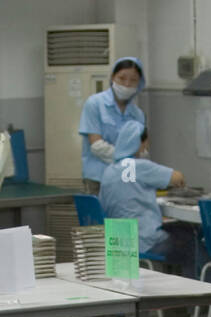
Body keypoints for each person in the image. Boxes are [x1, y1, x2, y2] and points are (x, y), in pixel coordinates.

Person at [98, 121, 195, 277]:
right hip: (145, 242)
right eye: (145, 143)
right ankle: (201, 297)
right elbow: (177, 177)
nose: (146, 148)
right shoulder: (140, 166)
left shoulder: (108, 171)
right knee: (193, 241)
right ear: (138, 143)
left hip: (119, 243)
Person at [78, 57, 147, 193]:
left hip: (127, 179)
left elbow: (141, 150)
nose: (127, 84)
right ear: (112, 78)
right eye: (122, 78)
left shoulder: (138, 114)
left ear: (139, 83)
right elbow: (96, 146)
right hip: (98, 178)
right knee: (102, 214)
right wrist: (125, 158)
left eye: (133, 80)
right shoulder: (95, 104)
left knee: (124, 214)